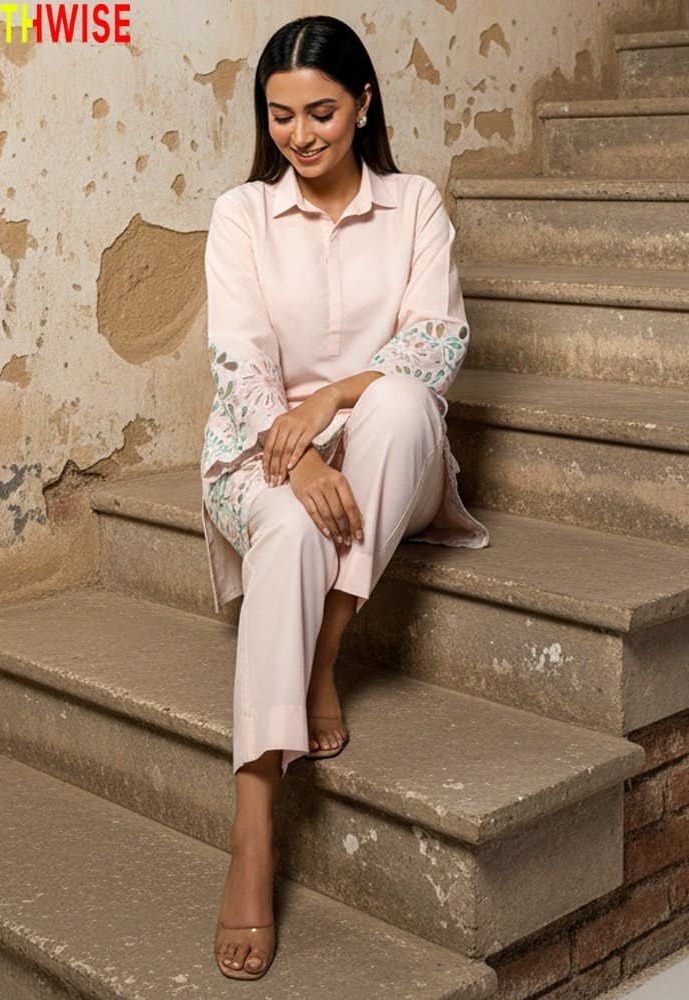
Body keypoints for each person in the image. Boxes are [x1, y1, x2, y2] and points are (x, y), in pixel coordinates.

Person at [199, 14, 489, 981]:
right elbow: (239, 369)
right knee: (284, 528)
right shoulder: (242, 215)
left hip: (383, 450)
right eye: (280, 116)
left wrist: (329, 403)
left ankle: (325, 654)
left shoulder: (415, 205)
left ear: (364, 104)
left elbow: (436, 342)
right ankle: (254, 818)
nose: (301, 134)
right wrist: (297, 458)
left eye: (321, 111)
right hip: (263, 454)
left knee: (405, 407)